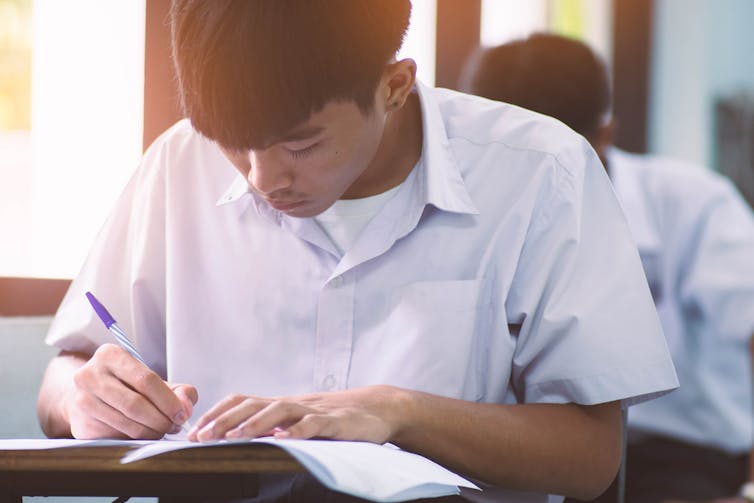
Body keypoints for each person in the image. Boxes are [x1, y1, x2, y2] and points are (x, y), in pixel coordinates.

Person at [36, 3, 678, 502]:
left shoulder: (539, 173)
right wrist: (81, 394)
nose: (262, 180)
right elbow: (62, 378)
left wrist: (397, 412)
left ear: (395, 86)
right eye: (231, 141)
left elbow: (592, 459)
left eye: (301, 144)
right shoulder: (179, 161)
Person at [463, 32, 754, 503]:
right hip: (519, 448)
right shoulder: (468, 210)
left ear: (604, 136)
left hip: (673, 455)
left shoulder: (691, 202)